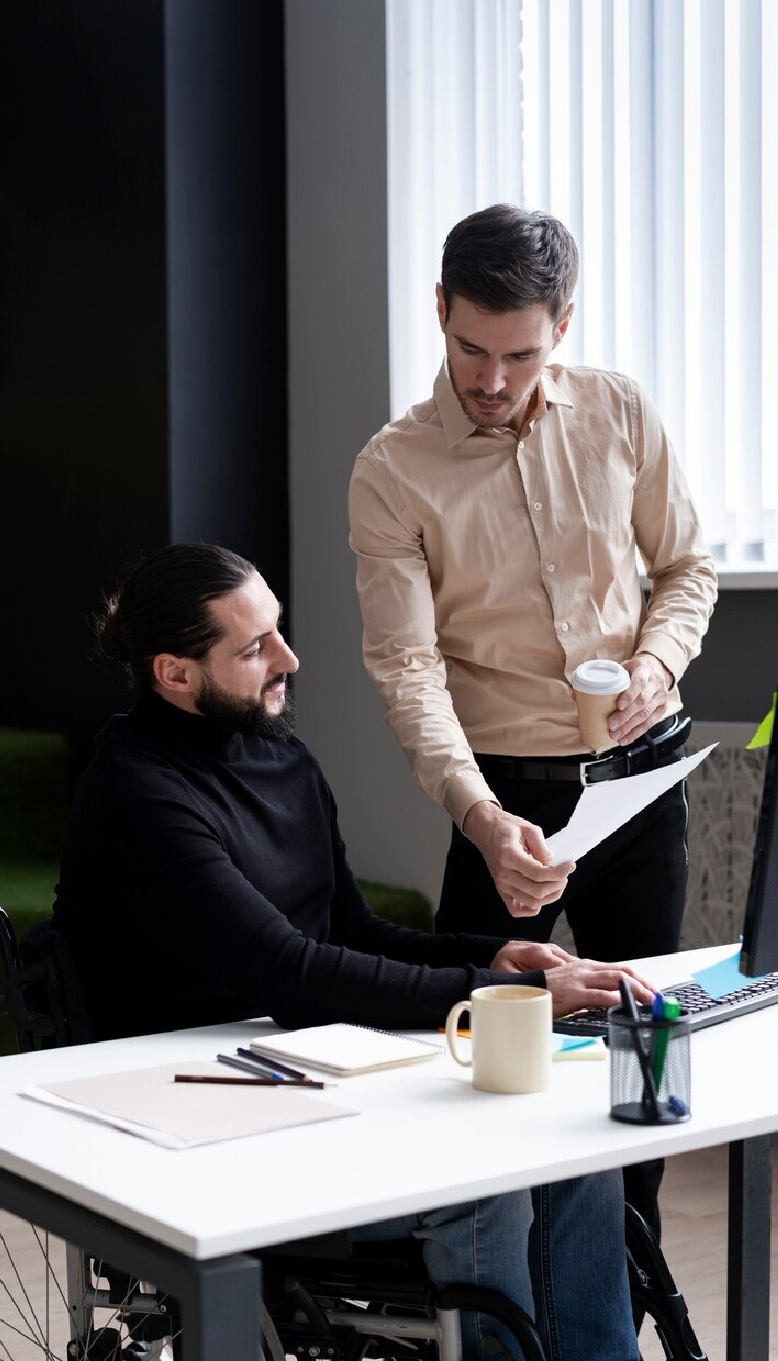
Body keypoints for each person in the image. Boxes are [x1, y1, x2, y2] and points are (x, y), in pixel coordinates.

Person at [54, 542, 650, 1361]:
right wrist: (491, 994)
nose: (288, 658)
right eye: (255, 646)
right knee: (486, 1182)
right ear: (175, 673)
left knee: (574, 1146)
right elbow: (290, 972)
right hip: (194, 1119)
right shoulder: (138, 792)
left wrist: (500, 955)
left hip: (300, 1072)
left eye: (279, 629)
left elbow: (352, 932)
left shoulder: (282, 755)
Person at [349, 203, 718, 1233]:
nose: (493, 378)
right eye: (472, 348)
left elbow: (686, 567)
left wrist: (657, 660)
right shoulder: (391, 470)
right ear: (439, 309)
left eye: (520, 353)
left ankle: (627, 1291)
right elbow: (408, 666)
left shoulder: (619, 410)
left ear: (562, 323)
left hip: (641, 779)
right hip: (505, 796)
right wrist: (477, 815)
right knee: (470, 1061)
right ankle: (486, 1294)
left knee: (641, 1055)